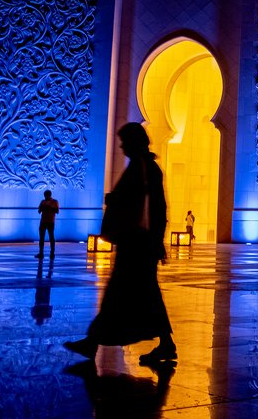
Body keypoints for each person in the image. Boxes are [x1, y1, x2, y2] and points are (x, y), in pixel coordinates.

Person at [64, 123, 176, 365]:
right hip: (136, 242)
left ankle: (93, 341)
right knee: (142, 294)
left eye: (125, 142)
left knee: (124, 294)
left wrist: (156, 240)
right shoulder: (141, 167)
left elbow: (156, 208)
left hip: (138, 243)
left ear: (135, 142)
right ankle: (164, 343)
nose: (122, 146)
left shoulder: (145, 169)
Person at [36, 189, 59, 259]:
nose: (45, 197)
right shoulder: (43, 202)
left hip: (50, 222)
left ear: (49, 195)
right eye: (45, 196)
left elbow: (57, 211)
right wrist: (42, 208)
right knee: (41, 238)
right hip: (43, 221)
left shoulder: (55, 201)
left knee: (51, 237)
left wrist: (49, 208)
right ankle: (41, 253)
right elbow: (39, 211)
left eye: (46, 195)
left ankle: (52, 253)